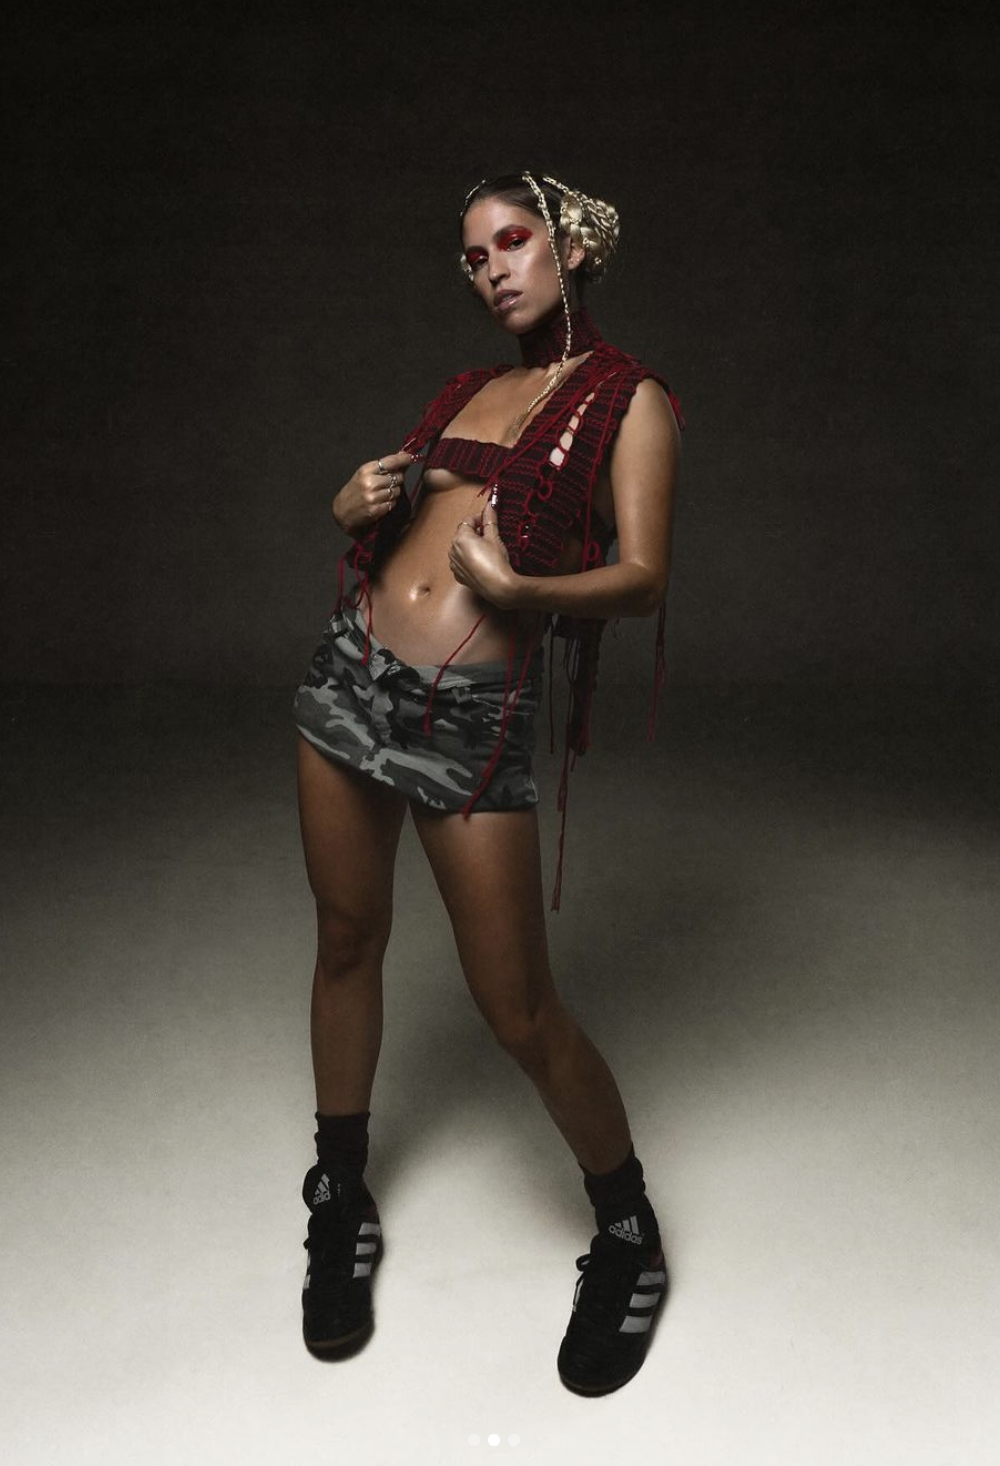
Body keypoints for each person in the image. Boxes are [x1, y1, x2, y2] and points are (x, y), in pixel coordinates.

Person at [291, 171, 683, 1396]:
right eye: (473, 256)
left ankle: (628, 1228)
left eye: (512, 241)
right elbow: (400, 522)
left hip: (466, 710)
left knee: (516, 1007)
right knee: (347, 937)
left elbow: (644, 575)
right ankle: (338, 1192)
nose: (493, 269)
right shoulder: (467, 388)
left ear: (572, 248)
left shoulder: (629, 397)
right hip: (351, 674)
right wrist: (348, 505)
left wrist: (523, 594)